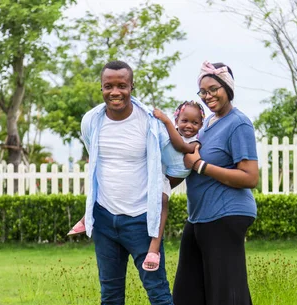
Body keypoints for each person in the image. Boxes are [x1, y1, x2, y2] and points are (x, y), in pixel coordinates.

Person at [79, 60, 188, 305]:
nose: (115, 92)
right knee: (110, 294)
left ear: (131, 86)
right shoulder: (91, 121)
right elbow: (96, 162)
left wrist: (158, 192)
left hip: (142, 221)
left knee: (158, 294)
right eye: (109, 86)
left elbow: (177, 165)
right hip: (104, 219)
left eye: (121, 85)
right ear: (101, 88)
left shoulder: (150, 124)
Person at [173, 61, 259, 305]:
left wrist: (201, 167)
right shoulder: (207, 124)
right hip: (199, 218)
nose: (209, 95)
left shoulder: (239, 124)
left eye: (214, 89)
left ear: (228, 88)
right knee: (185, 289)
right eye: (203, 90)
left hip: (228, 215)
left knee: (228, 288)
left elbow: (249, 176)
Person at [68, 100, 205, 272]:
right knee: (113, 185)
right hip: (157, 172)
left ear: (201, 124)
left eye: (195, 122)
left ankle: (154, 248)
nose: (189, 126)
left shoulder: (194, 141)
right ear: (178, 120)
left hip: (170, 174)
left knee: (161, 201)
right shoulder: (164, 131)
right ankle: (86, 218)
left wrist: (167, 121)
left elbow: (180, 146)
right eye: (184, 121)